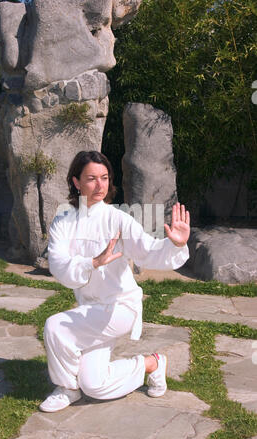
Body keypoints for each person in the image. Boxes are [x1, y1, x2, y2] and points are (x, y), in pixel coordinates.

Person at [39, 150, 190, 412]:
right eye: (91, 178)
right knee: (94, 384)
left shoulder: (118, 218)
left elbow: (148, 251)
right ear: (76, 182)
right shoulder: (63, 222)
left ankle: (67, 388)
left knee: (55, 327)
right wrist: (92, 263)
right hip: (91, 312)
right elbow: (59, 266)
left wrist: (175, 245)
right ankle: (152, 364)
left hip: (120, 308)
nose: (100, 185)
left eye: (105, 178)